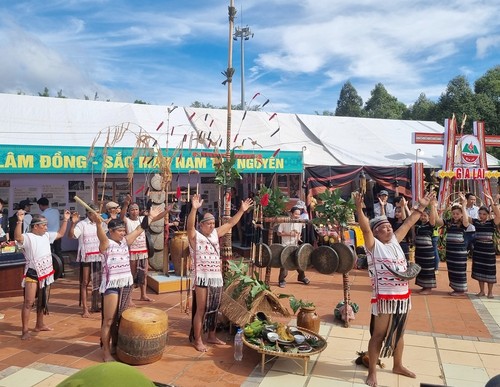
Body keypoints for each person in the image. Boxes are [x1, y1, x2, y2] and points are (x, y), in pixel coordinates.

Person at [354, 191, 432, 387]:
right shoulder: (373, 246)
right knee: (378, 335)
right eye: (384, 228)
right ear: (376, 233)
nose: (389, 230)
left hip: (403, 297)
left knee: (400, 334)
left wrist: (421, 206)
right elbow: (365, 230)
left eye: (389, 227)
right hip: (384, 298)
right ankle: (372, 372)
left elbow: (408, 223)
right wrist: (359, 209)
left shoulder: (396, 241)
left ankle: (398, 365)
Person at [187, 193, 253, 352]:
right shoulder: (195, 236)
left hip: (216, 278)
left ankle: (211, 335)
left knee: (214, 308)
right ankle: (197, 340)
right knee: (201, 309)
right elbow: (189, 226)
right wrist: (194, 209)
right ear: (201, 225)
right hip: (202, 277)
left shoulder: (216, 233)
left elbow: (230, 223)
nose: (211, 226)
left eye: (213, 223)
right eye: (208, 224)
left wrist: (242, 211)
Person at [96, 205, 162, 362]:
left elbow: (140, 228)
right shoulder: (105, 243)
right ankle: (106, 352)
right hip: (111, 285)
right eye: (119, 231)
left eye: (123, 231)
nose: (123, 233)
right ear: (111, 231)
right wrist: (99, 224)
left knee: (120, 319)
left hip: (125, 284)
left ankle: (116, 346)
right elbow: (101, 236)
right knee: (109, 320)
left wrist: (150, 217)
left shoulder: (125, 242)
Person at [14, 209, 71, 340]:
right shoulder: (27, 237)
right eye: (44, 225)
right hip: (32, 273)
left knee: (42, 300)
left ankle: (40, 324)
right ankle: (24, 330)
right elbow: (17, 237)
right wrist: (19, 221)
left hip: (46, 273)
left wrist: (66, 220)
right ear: (35, 226)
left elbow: (61, 234)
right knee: (28, 302)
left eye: (46, 225)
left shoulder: (46, 236)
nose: (46, 227)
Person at [120, 195, 168, 304]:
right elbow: (122, 216)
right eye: (132, 210)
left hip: (143, 251)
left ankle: (143, 295)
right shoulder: (127, 221)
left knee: (144, 274)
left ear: (139, 210)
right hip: (132, 252)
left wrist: (166, 211)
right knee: (132, 274)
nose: (134, 211)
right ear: (129, 211)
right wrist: (126, 205)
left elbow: (156, 218)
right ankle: (129, 297)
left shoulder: (143, 219)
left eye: (136, 209)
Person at [68, 204, 103, 318]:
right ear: (88, 214)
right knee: (85, 282)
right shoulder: (82, 224)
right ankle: (85, 308)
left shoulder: (101, 223)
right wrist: (73, 223)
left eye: (98, 212)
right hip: (86, 257)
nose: (97, 214)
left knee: (98, 282)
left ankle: (96, 305)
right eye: (95, 212)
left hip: (99, 257)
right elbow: (71, 236)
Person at [440, 194, 469, 296]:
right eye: (453, 213)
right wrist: (436, 209)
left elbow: (466, 221)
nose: (455, 215)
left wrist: (464, 206)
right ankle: (456, 288)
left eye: (457, 214)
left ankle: (461, 290)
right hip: (450, 251)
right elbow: (438, 222)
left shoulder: (463, 223)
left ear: (461, 214)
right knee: (452, 269)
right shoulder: (449, 222)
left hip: (459, 251)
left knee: (459, 269)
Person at [471, 193, 499, 298]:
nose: (481, 216)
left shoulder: (492, 223)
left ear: (487, 214)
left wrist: (492, 201)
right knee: (479, 269)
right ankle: (482, 291)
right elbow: (465, 218)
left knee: (490, 270)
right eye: (480, 214)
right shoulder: (476, 222)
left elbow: (498, 215)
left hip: (488, 250)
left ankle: (490, 292)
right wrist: (464, 205)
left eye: (483, 214)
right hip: (478, 249)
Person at [414, 196, 443, 294]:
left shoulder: (430, 224)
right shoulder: (418, 224)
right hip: (419, 251)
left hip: (427, 251)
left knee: (427, 268)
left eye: (425, 216)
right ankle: (423, 285)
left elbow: (433, 219)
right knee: (421, 268)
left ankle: (428, 288)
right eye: (422, 215)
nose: (423, 217)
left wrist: (432, 206)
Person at [277, 206, 310, 288]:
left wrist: (298, 237)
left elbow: (298, 233)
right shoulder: (284, 221)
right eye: (296, 214)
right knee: (284, 264)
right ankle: (281, 280)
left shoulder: (299, 222)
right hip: (285, 246)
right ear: (291, 213)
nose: (297, 216)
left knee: (299, 261)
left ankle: (301, 277)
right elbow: (278, 233)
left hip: (295, 246)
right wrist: (290, 234)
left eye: (299, 214)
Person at [37, 197, 63, 276]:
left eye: (39, 206)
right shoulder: (56, 211)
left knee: (49, 254)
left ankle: (52, 271)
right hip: (58, 234)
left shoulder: (43, 215)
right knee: (59, 252)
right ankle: (62, 272)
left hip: (48, 236)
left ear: (41, 205)